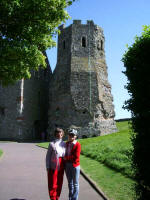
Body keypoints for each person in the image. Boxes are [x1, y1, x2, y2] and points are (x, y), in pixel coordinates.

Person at [46, 128, 66, 200]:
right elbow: (48, 156)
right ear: (55, 134)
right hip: (53, 164)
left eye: (60, 133)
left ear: (62, 134)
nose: (59, 135)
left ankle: (57, 197)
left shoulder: (64, 144)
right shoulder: (51, 144)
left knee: (59, 182)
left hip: (62, 164)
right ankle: (52, 198)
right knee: (52, 182)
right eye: (57, 133)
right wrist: (48, 166)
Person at [64, 129, 81, 200]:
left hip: (75, 166)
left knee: (75, 184)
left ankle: (74, 198)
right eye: (70, 135)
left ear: (75, 136)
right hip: (67, 165)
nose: (71, 136)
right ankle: (70, 198)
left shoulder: (77, 144)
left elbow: (76, 157)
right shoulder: (67, 143)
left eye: (72, 135)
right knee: (70, 183)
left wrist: (66, 158)